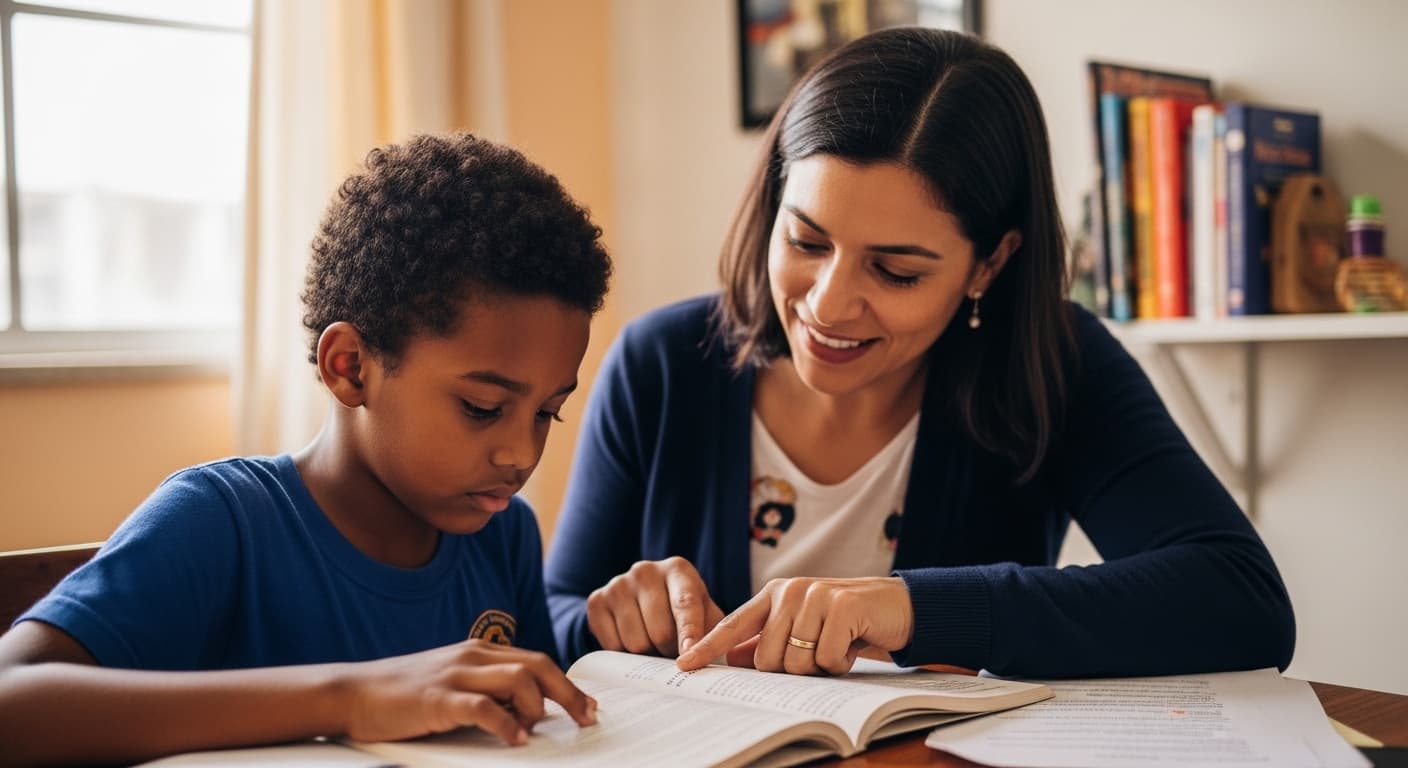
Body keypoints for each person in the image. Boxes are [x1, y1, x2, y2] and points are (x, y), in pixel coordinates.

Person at [545, 28, 1295, 679]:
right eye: (806, 241)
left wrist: (914, 608)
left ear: (989, 264)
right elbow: (548, 617)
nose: (828, 304)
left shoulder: (1052, 364)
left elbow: (1241, 600)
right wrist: (607, 621)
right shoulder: (664, 362)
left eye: (896, 271)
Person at [0, 133, 611, 765]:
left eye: (547, 412)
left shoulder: (501, 536)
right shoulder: (222, 521)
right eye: (481, 408)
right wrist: (354, 697)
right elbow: (10, 700)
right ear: (350, 367)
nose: (520, 453)